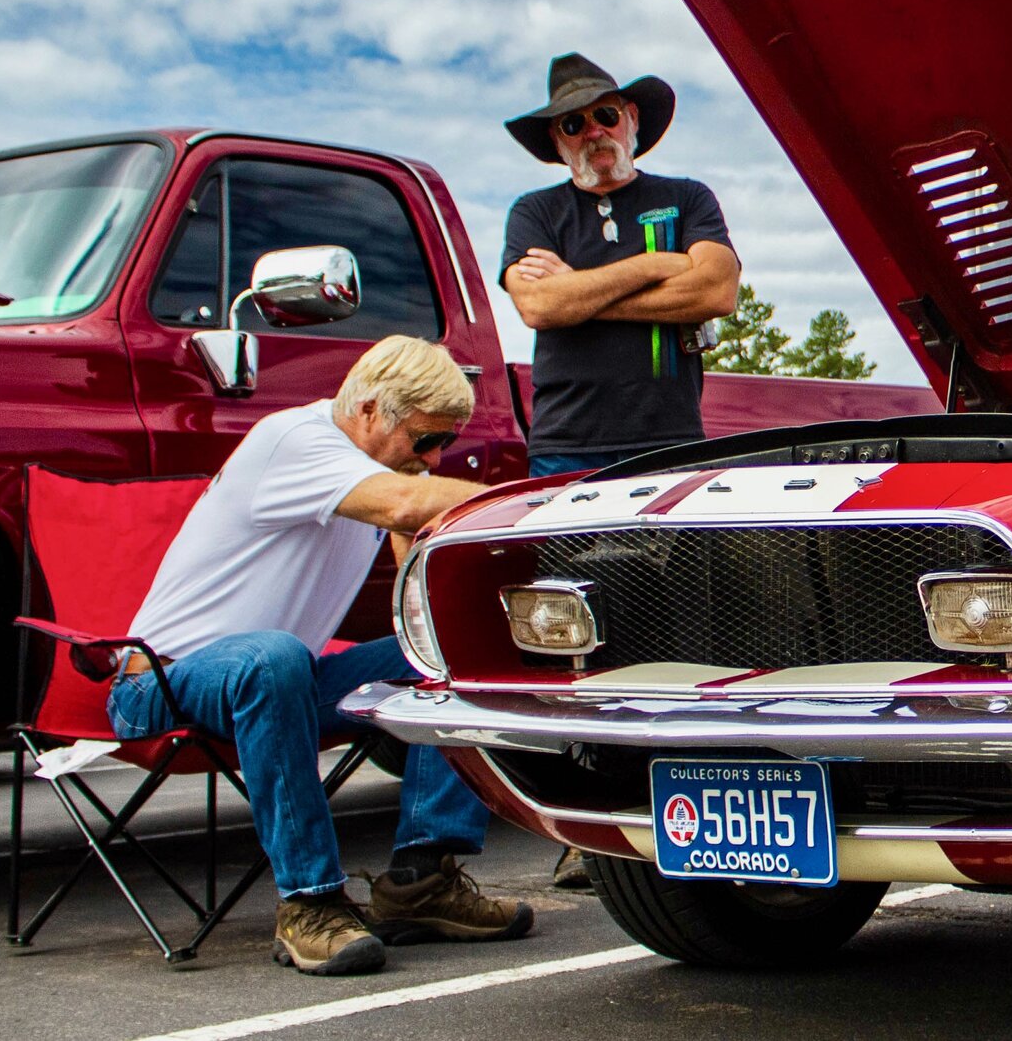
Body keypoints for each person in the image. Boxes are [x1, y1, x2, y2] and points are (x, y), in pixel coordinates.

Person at [111, 336, 534, 976]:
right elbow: (404, 504)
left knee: (450, 649)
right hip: (161, 685)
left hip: (276, 683)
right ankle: (310, 905)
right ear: (367, 410)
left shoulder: (371, 466)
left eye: (443, 443)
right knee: (273, 658)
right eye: (423, 441)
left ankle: (421, 880)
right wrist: (552, 499)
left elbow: (412, 557)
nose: (434, 457)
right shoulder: (296, 440)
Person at [499, 52, 740, 479]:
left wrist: (579, 297)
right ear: (558, 140)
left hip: (670, 442)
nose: (593, 131)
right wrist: (654, 265)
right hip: (566, 445)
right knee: (565, 550)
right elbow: (538, 306)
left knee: (674, 551)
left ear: (631, 118)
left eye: (605, 115)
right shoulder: (534, 211)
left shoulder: (687, 198)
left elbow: (717, 290)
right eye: (573, 124)